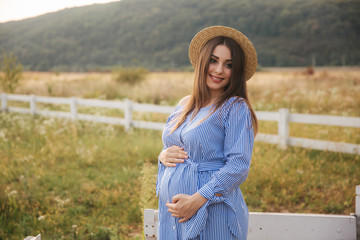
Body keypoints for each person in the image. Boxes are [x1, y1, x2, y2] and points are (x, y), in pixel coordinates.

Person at [156, 26, 258, 240]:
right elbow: (174, 145)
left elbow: (238, 166)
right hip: (174, 216)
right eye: (214, 60)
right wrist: (163, 156)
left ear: (236, 72)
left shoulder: (235, 108)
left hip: (212, 213)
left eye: (228, 65)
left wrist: (197, 200)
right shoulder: (185, 104)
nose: (219, 70)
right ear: (203, 62)